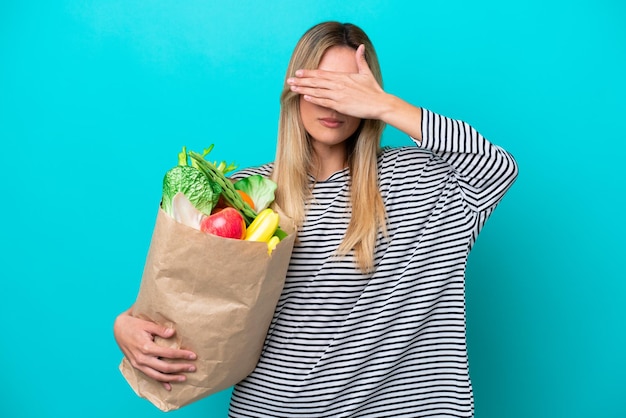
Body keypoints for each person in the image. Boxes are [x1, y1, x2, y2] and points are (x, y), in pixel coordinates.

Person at [114, 21, 518, 417]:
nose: (333, 102)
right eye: (320, 86)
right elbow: (190, 294)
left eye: (348, 89)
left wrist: (384, 105)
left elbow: (496, 167)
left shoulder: (426, 182)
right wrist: (126, 324)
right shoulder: (245, 193)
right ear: (293, 89)